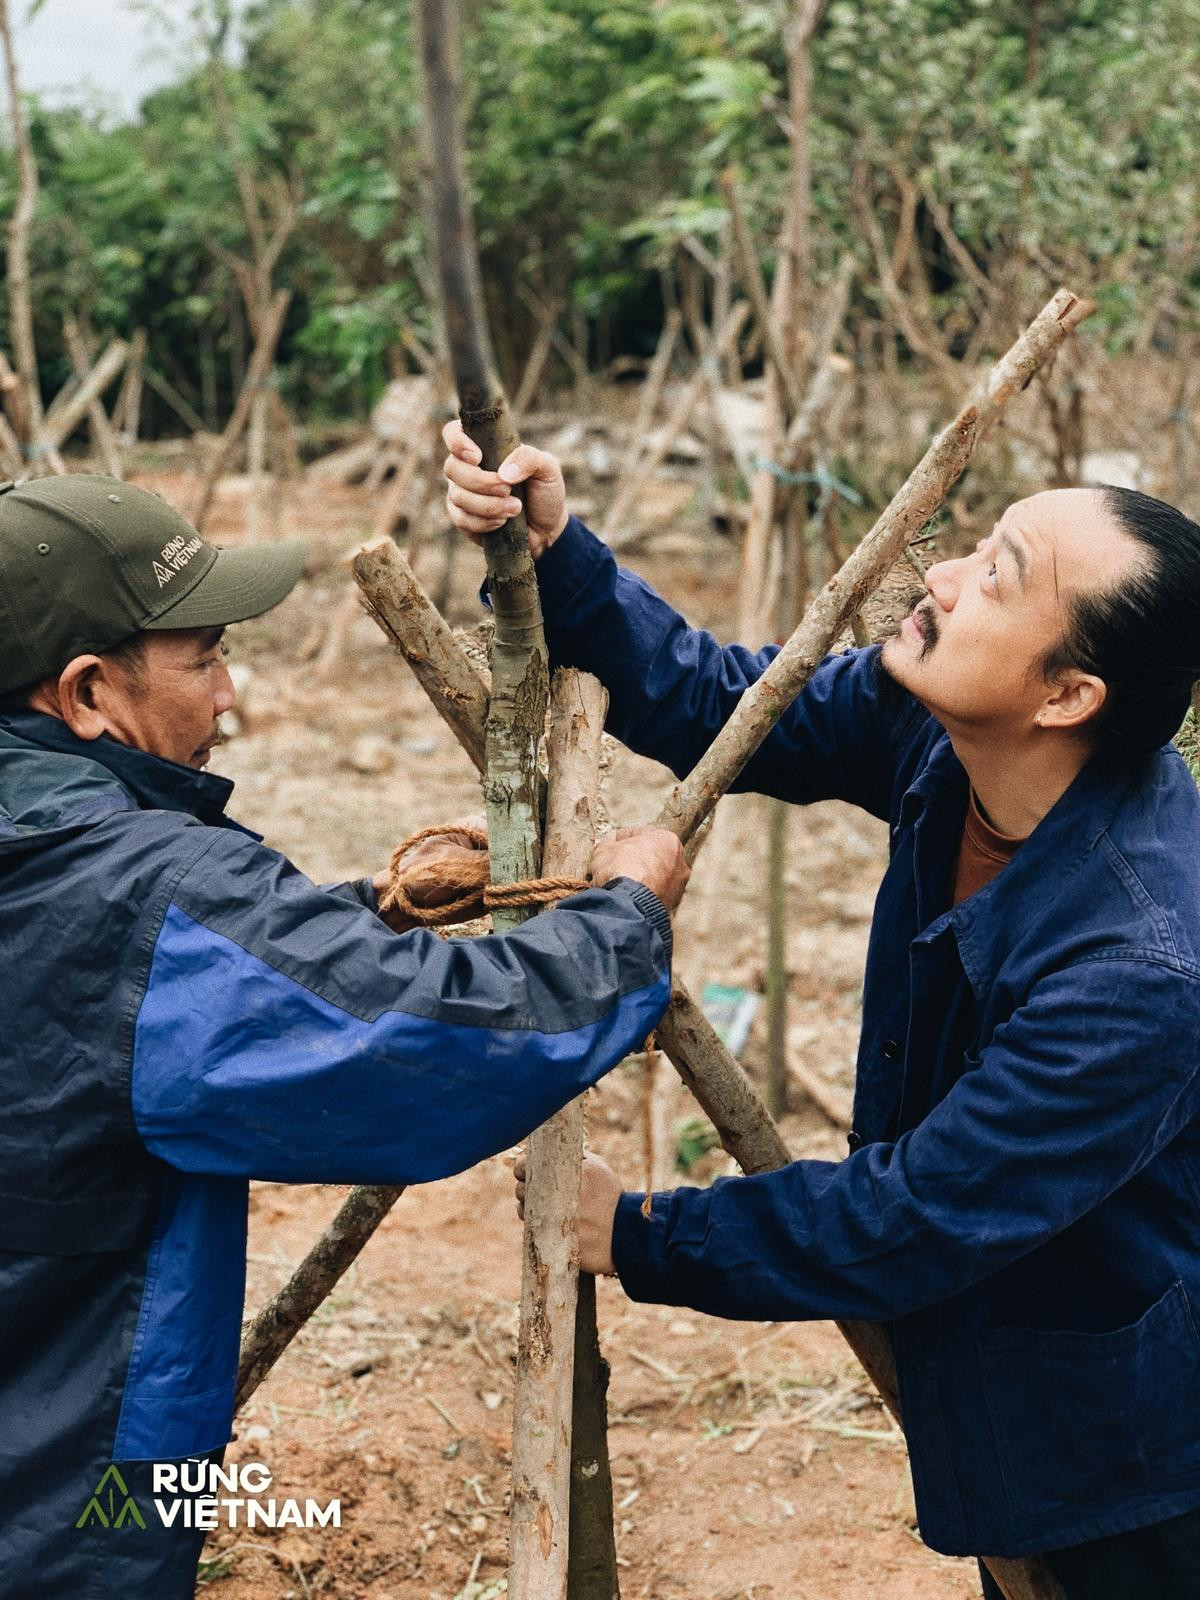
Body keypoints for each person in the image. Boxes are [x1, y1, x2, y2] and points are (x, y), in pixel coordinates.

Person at [444, 419, 1200, 1600]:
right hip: (1005, 1374)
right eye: (978, 546)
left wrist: (641, 1233)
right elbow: (718, 698)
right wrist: (560, 549)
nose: (941, 577)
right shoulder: (939, 731)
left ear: (1068, 693)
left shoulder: (1138, 969)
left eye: (996, 577)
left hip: (1131, 1448)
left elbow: (915, 1214)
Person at [0, 473, 688, 1598]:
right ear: (86, 693)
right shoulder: (151, 900)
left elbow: (136, 995)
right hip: (67, 1505)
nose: (231, 691)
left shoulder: (77, 872)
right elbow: (430, 1049)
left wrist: (364, 914)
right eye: (204, 654)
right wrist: (627, 919)